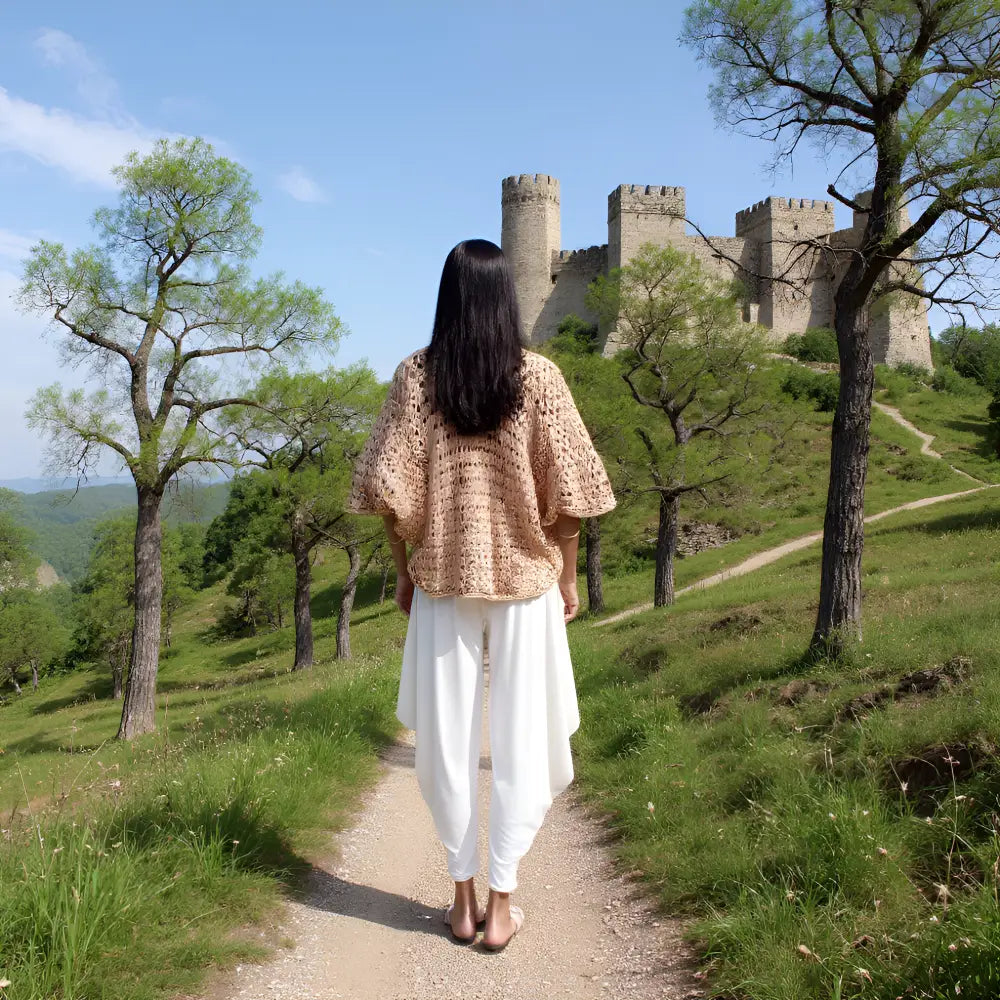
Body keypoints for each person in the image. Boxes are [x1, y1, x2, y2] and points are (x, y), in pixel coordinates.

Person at [348, 238, 615, 952]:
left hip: (441, 581)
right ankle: (502, 905)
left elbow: (386, 489)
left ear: (448, 297)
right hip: (527, 585)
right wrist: (565, 576)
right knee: (525, 736)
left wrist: (404, 570)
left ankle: (460, 899)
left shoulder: (415, 378)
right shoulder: (541, 379)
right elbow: (571, 497)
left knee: (445, 742)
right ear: (508, 299)